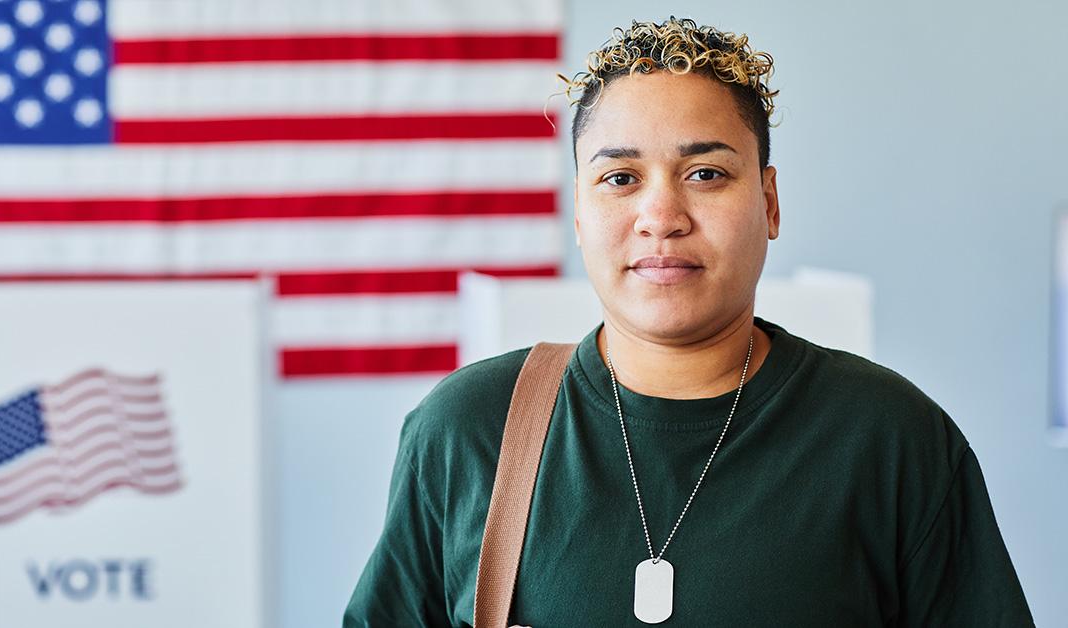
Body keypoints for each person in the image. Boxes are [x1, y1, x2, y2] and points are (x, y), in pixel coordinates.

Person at [344, 17, 1034, 626]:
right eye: (620, 179)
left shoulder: (894, 440)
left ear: (768, 202)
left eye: (705, 173)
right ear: (580, 217)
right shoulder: (468, 430)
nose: (662, 217)